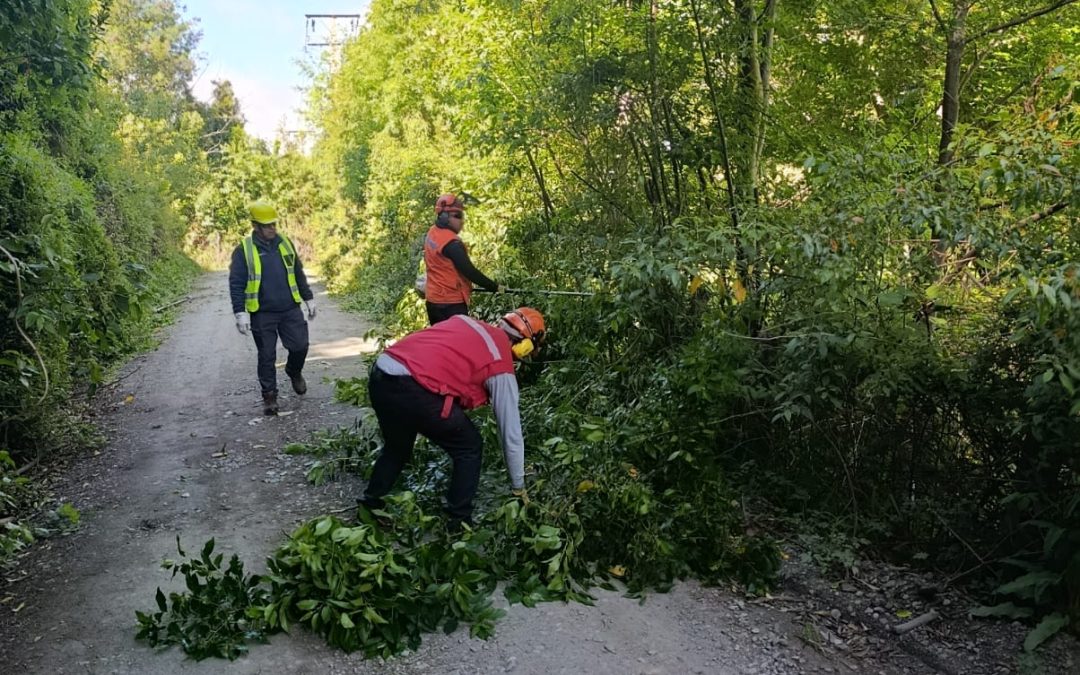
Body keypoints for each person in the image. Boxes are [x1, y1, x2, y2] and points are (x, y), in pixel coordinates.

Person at [359, 307, 545, 528]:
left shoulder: (465, 321)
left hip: (382, 374)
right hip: (413, 390)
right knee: (469, 446)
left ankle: (370, 502)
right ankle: (458, 520)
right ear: (525, 346)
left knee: (397, 446)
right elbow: (511, 433)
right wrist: (518, 486)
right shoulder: (499, 364)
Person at [229, 201, 317, 416]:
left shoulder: (285, 244)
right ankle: (269, 397)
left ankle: (294, 371)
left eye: (274, 224)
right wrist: (240, 312)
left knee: (300, 345)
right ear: (255, 226)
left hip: (289, 309)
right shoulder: (244, 251)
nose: (272, 229)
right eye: (267, 225)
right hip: (262, 312)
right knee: (266, 355)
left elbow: (297, 272)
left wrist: (309, 298)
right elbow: (237, 283)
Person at [422, 193, 503, 325]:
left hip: (433, 301)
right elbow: (470, 272)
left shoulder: (433, 232)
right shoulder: (451, 243)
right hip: (451, 304)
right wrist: (494, 287)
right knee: (457, 342)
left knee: (441, 342)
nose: (462, 221)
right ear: (444, 217)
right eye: (458, 216)